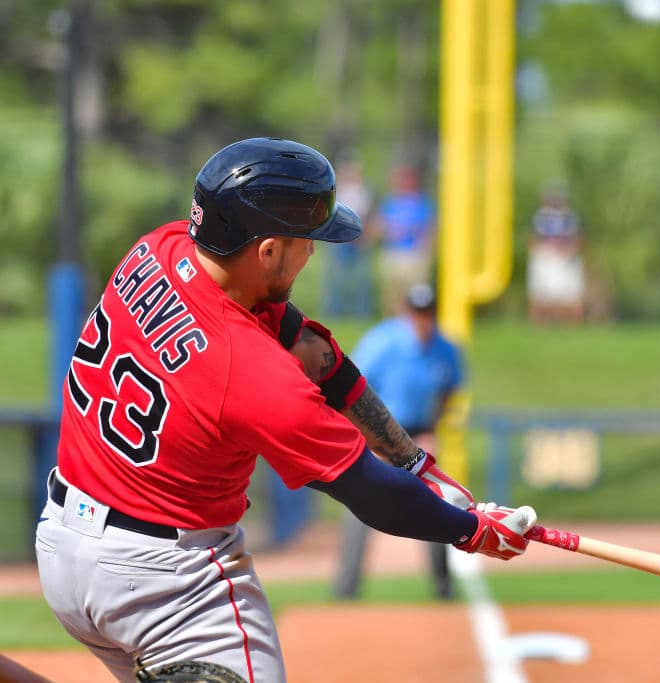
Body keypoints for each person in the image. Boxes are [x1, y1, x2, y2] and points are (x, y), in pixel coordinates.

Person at [34, 137, 535, 683]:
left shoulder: (161, 247)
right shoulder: (251, 371)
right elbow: (372, 493)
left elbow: (317, 355)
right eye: (306, 240)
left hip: (63, 547)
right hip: (165, 582)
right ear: (268, 251)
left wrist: (417, 464)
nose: (313, 252)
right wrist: (471, 529)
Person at [335, 282, 465, 600]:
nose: (423, 319)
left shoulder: (445, 348)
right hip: (378, 433)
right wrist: (371, 439)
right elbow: (351, 388)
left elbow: (449, 391)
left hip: (420, 433)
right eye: (418, 312)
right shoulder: (382, 342)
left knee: (437, 503)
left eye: (428, 312)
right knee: (361, 503)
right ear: (407, 312)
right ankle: (346, 587)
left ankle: (442, 586)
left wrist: (433, 430)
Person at [373, 164, 436, 315]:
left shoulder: (423, 203)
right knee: (393, 293)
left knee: (416, 291)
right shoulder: (390, 202)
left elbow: (429, 229)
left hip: (415, 254)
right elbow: (379, 226)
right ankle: (394, 319)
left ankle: (414, 318)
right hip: (393, 252)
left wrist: (426, 248)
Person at [320, 157, 376, 319]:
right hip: (338, 240)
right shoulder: (336, 191)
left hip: (359, 241)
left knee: (361, 279)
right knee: (335, 278)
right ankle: (333, 311)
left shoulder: (365, 192)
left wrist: (365, 237)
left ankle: (361, 312)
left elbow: (369, 217)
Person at [527, 182, 585, 324]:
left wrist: (569, 250)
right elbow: (532, 238)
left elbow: (579, 238)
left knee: (570, 295)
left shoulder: (571, 217)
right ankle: (541, 325)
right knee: (541, 294)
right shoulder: (539, 217)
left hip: (567, 257)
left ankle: (571, 325)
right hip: (545, 256)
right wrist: (543, 252)